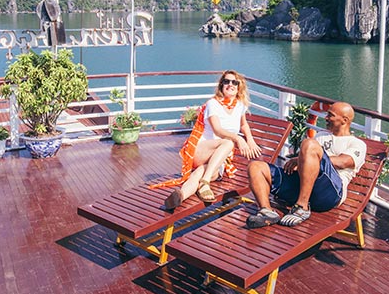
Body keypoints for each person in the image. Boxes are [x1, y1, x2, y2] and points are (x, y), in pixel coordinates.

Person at [245, 101, 366, 228]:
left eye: (330, 115)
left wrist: (303, 158)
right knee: (256, 167)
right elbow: (308, 155)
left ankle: (302, 207)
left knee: (310, 144)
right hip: (301, 185)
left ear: (344, 120)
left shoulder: (356, 144)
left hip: (328, 193)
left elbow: (343, 162)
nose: (326, 118)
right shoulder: (321, 135)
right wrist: (302, 159)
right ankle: (267, 212)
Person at [154, 70, 262, 210]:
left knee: (200, 173)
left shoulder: (240, 105)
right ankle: (205, 181)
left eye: (234, 82)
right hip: (202, 150)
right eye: (226, 81)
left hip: (219, 158)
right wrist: (238, 138)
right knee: (228, 142)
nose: (230, 85)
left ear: (239, 86)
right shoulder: (213, 104)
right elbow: (217, 130)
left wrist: (250, 140)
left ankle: (180, 196)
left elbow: (243, 124)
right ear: (221, 85)